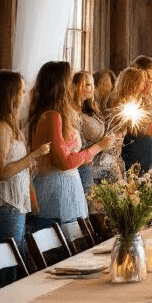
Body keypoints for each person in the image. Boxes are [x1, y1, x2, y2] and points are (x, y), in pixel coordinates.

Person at [29, 61, 115, 230]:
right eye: (70, 81)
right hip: (57, 191)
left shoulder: (58, 114)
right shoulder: (52, 116)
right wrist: (98, 147)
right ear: (60, 85)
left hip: (66, 185)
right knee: (62, 246)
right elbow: (64, 162)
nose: (74, 86)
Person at [0, 70, 51, 249]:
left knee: (17, 261)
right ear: (10, 94)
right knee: (9, 267)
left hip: (13, 205)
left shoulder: (9, 124)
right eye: (21, 91)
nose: (24, 95)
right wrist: (33, 155)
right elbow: (2, 172)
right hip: (2, 205)